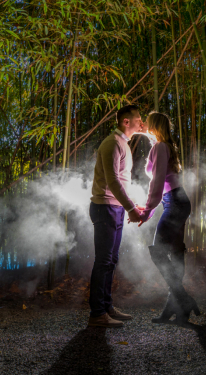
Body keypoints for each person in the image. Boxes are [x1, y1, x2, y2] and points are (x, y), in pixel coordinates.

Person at [130, 112, 200, 324]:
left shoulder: (160, 147)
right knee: (176, 253)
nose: (143, 126)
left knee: (159, 252)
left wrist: (148, 209)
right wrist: (150, 209)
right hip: (176, 201)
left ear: (154, 127)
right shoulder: (163, 145)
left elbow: (158, 181)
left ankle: (182, 299)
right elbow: (162, 185)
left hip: (175, 203)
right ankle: (177, 307)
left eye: (146, 124)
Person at [87, 104, 144, 328]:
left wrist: (129, 205)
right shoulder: (112, 143)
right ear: (125, 122)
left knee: (111, 261)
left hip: (115, 207)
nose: (142, 123)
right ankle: (97, 314)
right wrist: (130, 208)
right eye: (139, 119)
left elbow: (121, 181)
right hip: (105, 207)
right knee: (103, 261)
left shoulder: (123, 144)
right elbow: (112, 181)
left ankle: (106, 306)